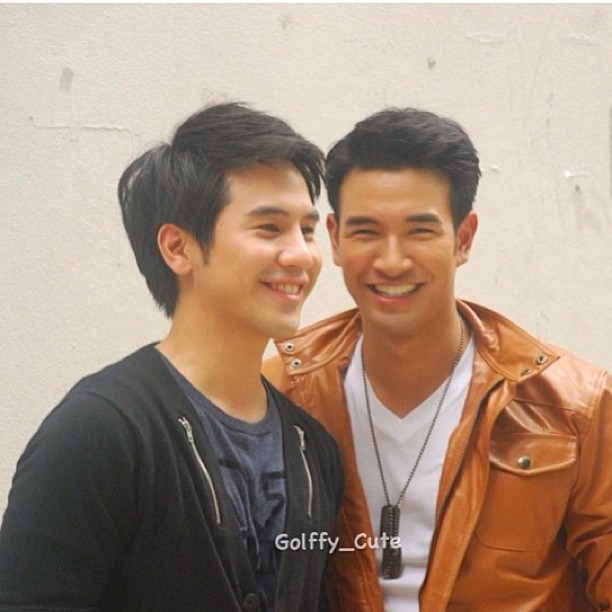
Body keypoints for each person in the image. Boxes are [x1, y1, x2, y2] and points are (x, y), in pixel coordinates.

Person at [263, 107, 612, 610]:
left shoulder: (574, 406)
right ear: (335, 239)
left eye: (420, 231)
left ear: (463, 239)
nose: (391, 261)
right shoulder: (280, 395)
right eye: (366, 232)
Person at [0, 102, 343, 611]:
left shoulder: (313, 449)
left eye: (307, 230)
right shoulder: (100, 431)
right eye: (270, 228)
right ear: (178, 248)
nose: (301, 255)